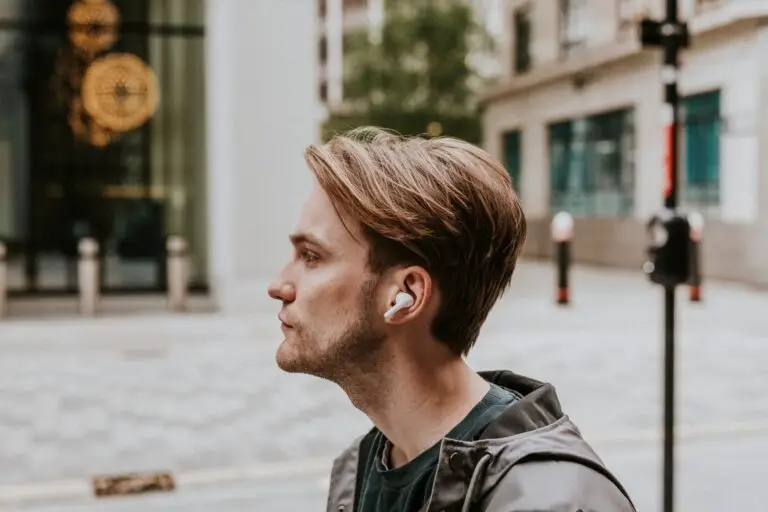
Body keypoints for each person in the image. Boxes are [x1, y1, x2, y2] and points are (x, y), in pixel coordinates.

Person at [268, 127, 635, 512]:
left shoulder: (551, 500)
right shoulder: (363, 471)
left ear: (405, 295)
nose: (279, 286)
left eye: (311, 257)